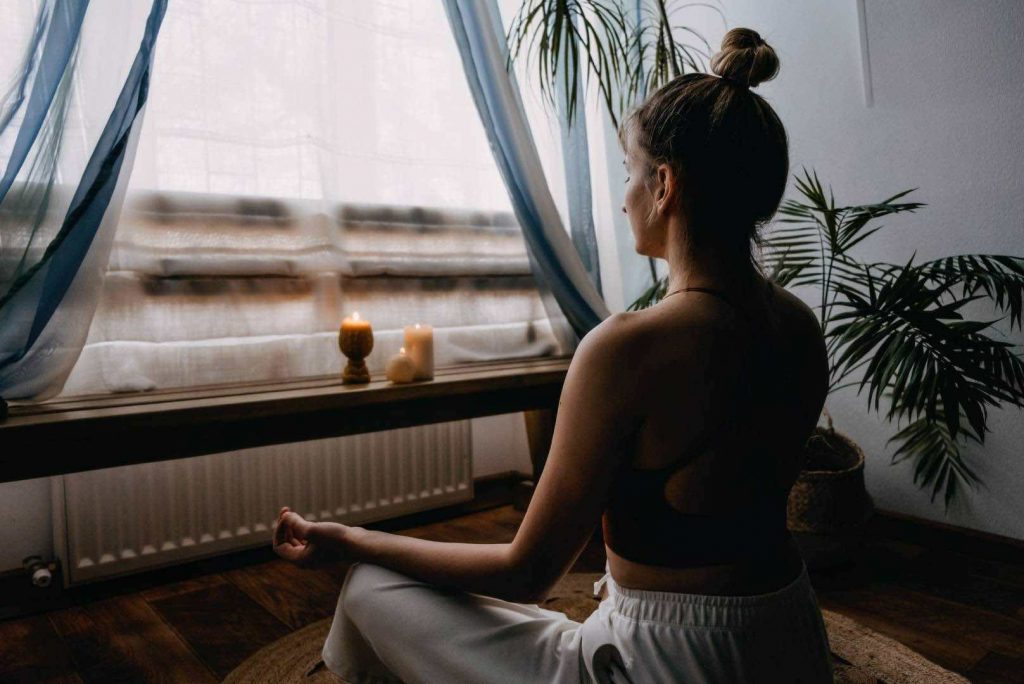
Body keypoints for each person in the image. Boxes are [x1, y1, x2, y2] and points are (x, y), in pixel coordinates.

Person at [272, 27, 834, 683]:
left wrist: (352, 540)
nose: (624, 198)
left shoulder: (629, 347)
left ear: (664, 185)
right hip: (790, 641)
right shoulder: (797, 325)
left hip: (675, 663)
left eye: (629, 173)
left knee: (372, 586)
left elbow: (526, 574)